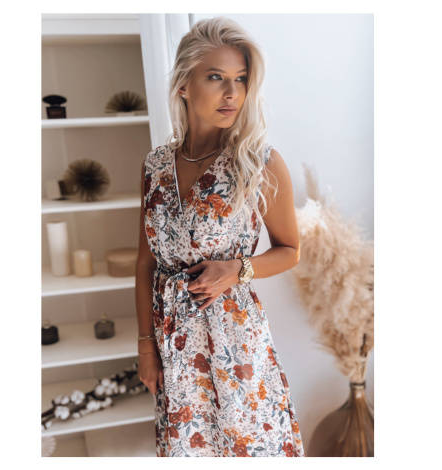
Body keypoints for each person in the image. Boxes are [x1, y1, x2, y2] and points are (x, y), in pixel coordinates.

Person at [135, 16, 304, 457]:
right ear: (184, 85)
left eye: (240, 79)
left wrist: (237, 269)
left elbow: (290, 250)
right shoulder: (155, 166)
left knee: (250, 446)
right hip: (173, 340)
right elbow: (146, 261)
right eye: (215, 77)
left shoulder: (258, 162)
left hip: (235, 340)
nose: (232, 93)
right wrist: (146, 346)